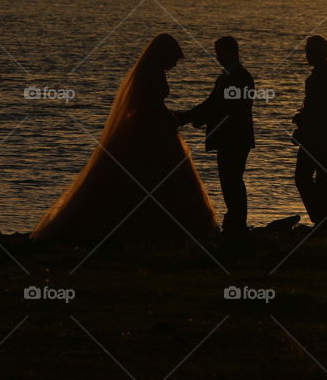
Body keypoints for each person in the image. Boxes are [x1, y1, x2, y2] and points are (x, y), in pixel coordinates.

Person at [31, 34, 218, 241]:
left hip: (157, 128)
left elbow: (152, 105)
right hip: (150, 133)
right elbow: (149, 105)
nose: (174, 64)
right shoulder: (152, 75)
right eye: (173, 59)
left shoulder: (153, 73)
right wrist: (172, 117)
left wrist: (172, 117)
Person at [179, 36, 255, 237]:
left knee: (232, 180)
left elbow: (226, 107)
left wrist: (195, 118)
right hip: (230, 138)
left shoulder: (241, 78)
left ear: (231, 52)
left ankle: (237, 223)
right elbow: (213, 103)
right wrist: (189, 117)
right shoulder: (228, 76)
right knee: (230, 180)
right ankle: (235, 222)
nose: (218, 57)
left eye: (220, 53)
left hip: (235, 138)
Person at [292, 35, 327, 227]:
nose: (306, 54)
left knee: (303, 176)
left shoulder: (318, 78)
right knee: (324, 178)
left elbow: (319, 110)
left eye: (308, 51)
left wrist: (302, 125)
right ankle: (323, 219)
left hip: (316, 137)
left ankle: (320, 218)